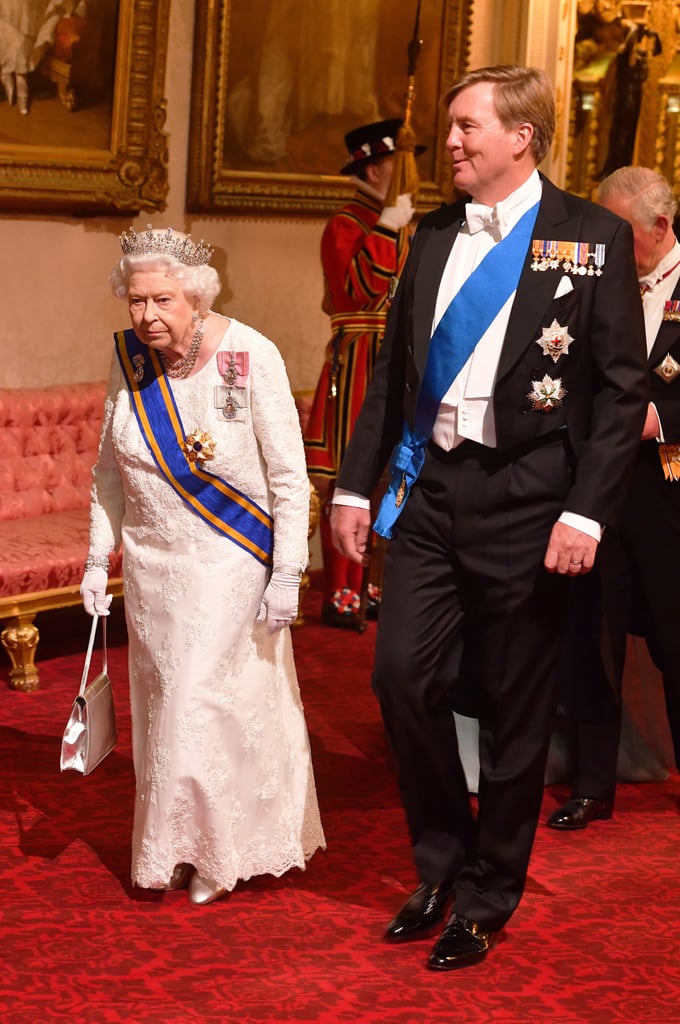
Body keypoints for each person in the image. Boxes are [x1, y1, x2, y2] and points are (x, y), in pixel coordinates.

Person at [331, 64, 649, 970]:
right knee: (400, 680)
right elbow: (393, 376)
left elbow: (623, 392)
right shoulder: (432, 234)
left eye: (469, 125)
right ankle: (439, 860)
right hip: (433, 492)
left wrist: (587, 513)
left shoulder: (590, 236)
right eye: (453, 126)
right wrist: (355, 489)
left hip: (532, 500)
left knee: (514, 707)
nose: (454, 142)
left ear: (524, 137)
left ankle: (488, 891)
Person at [80, 225, 325, 905]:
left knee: (199, 702)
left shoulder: (251, 355)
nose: (147, 316)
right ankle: (182, 847)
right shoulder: (128, 360)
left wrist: (286, 574)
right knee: (168, 711)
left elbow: (287, 477)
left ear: (196, 296)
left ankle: (217, 854)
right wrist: (99, 558)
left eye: (162, 300)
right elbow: (107, 471)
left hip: (229, 559)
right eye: (136, 301)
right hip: (153, 568)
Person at [548, 166, 680, 831]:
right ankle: (593, 786)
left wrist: (663, 422)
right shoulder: (594, 282)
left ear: (660, 227)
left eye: (619, 231)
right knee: (593, 643)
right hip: (600, 492)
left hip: (671, 491)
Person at [304, 117, 418, 627]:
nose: (406, 173)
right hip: (358, 361)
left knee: (391, 471)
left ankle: (373, 582)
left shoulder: (402, 222)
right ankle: (343, 590)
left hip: (396, 354)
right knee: (352, 471)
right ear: (374, 168)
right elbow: (358, 288)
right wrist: (389, 227)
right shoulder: (347, 223)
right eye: (398, 163)